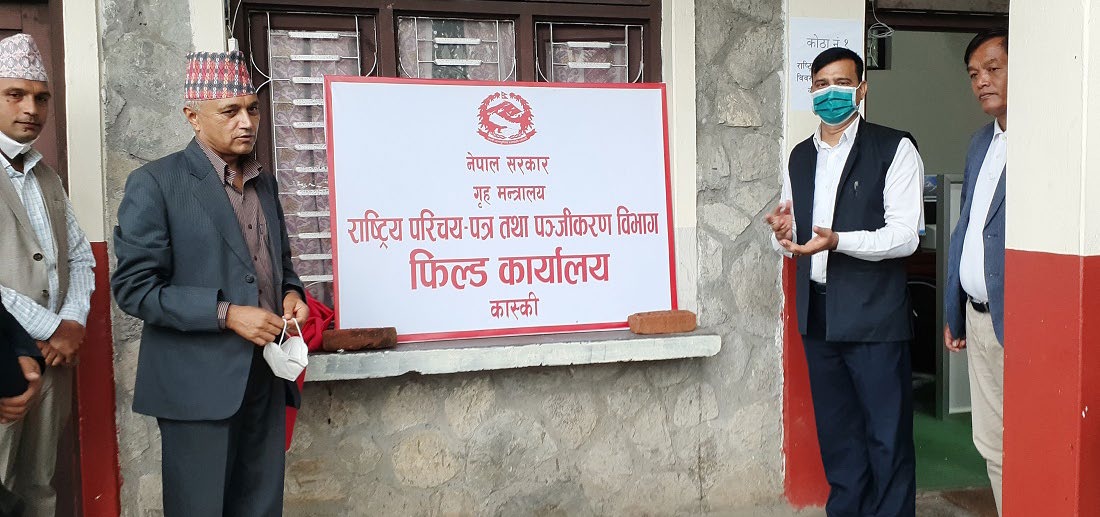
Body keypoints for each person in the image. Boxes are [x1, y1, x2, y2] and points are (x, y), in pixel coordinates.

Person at [111, 50, 308, 517]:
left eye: (253, 109)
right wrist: (227, 314)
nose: (247, 122)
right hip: (196, 386)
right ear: (193, 117)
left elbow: (279, 264)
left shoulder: (264, 184)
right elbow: (135, 288)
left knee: (261, 507)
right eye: (230, 111)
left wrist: (291, 294)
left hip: (265, 374)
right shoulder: (156, 183)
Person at [765, 46, 925, 517]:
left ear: (861, 89)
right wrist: (783, 236)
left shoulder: (894, 148)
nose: (830, 92)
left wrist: (838, 241)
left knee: (887, 438)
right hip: (819, 317)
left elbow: (905, 237)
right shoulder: (800, 157)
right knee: (839, 438)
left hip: (875, 320)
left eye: (841, 83)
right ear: (810, 91)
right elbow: (797, 234)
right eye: (821, 85)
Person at [0, 33, 96, 517]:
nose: (30, 108)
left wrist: (73, 323)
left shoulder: (46, 175)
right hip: (5, 356)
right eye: (14, 94)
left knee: (39, 486)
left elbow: (79, 256)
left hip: (54, 359)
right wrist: (52, 327)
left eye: (41, 97)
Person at [943, 28, 1008, 516]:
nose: (982, 81)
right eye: (973, 74)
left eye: (993, 68)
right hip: (978, 316)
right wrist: (954, 309)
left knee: (1029, 437)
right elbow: (966, 228)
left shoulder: (1047, 143)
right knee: (991, 443)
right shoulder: (980, 143)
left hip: (1018, 321)